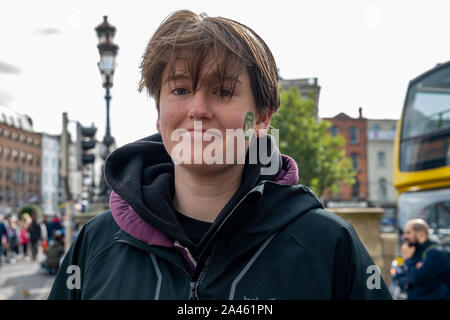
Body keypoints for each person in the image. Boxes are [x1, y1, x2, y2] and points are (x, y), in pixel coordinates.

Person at [49, 10, 392, 300]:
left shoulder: (329, 245)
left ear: (262, 118)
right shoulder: (95, 244)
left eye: (223, 91)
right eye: (180, 89)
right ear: (158, 113)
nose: (198, 109)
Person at [397, 219, 450, 300]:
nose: (404, 236)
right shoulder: (413, 251)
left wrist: (408, 260)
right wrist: (412, 273)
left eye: (408, 233)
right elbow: (400, 279)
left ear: (421, 233)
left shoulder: (436, 253)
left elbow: (418, 278)